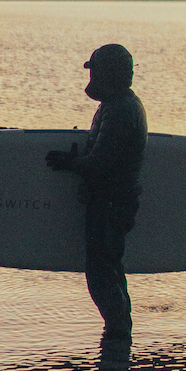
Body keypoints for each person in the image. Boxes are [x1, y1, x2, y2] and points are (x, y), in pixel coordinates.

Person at [46, 44, 148, 340]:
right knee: (109, 268)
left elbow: (100, 164)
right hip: (113, 201)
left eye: (97, 71)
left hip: (112, 203)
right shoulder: (118, 105)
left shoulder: (119, 110)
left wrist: (69, 163)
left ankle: (117, 336)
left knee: (102, 272)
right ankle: (119, 332)